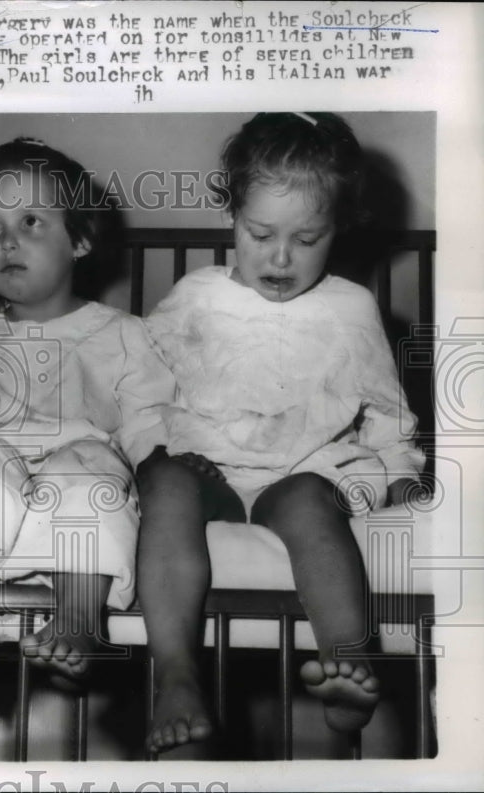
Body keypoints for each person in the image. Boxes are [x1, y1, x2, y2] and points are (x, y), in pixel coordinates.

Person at [136, 112, 425, 754]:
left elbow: (384, 406)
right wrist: (145, 451)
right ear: (230, 216)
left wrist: (401, 473)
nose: (280, 257)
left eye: (307, 237)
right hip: (207, 463)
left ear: (339, 229)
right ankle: (177, 674)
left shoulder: (350, 308)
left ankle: (348, 664)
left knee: (308, 504)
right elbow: (143, 383)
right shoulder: (195, 297)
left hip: (299, 468)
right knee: (165, 483)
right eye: (260, 233)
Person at [0, 138, 173, 685]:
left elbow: (150, 431)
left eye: (30, 221)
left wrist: (166, 479)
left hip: (79, 471)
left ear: (82, 240)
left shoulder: (123, 334)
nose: (7, 241)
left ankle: (76, 619)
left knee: (91, 468)